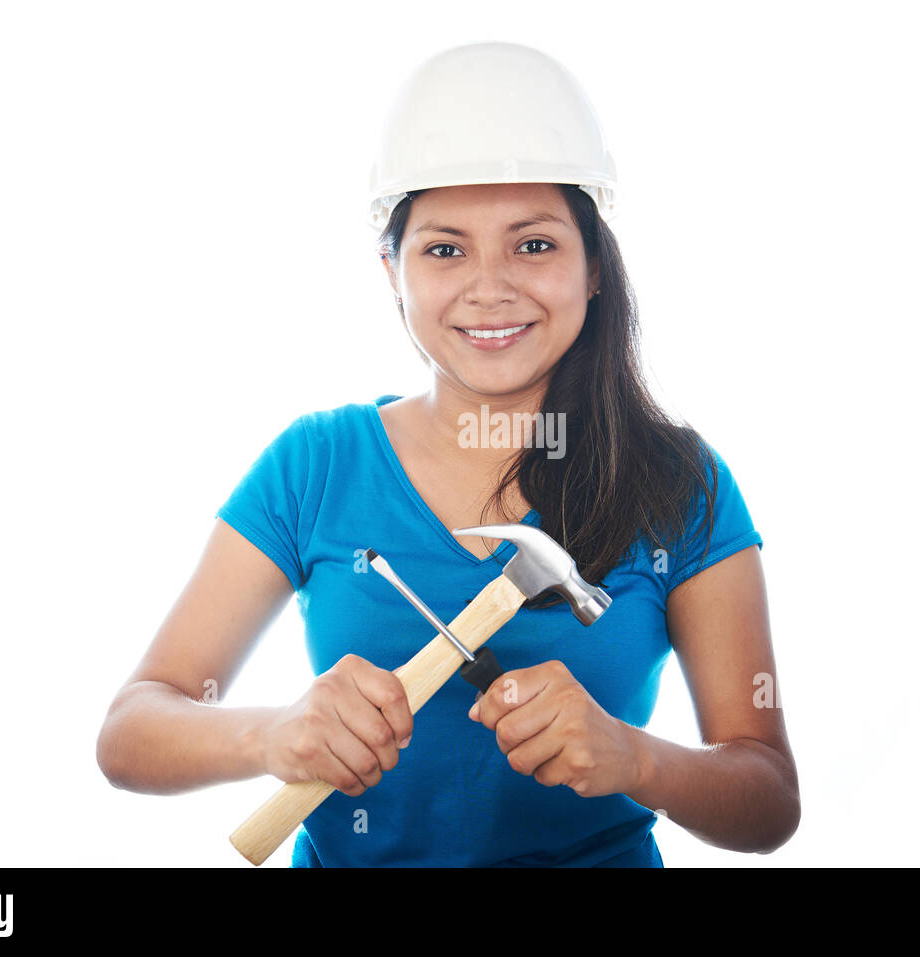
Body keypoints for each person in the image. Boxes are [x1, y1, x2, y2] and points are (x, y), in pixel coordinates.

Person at [96, 41, 799, 867]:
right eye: (444, 248)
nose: (490, 286)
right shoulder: (315, 465)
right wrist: (272, 733)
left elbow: (769, 799)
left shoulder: (682, 485)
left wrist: (638, 760)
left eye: (533, 244)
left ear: (596, 266)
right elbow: (131, 731)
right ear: (391, 270)